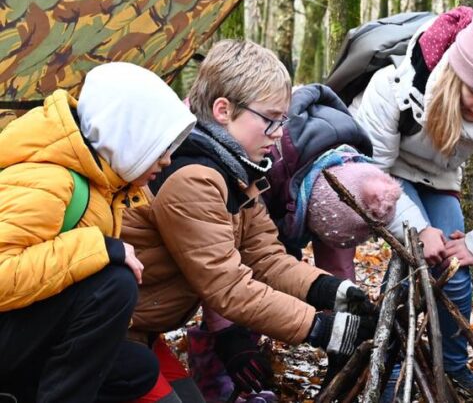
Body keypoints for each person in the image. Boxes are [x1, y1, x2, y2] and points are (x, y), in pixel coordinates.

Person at [121, 40, 376, 402]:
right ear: (223, 110)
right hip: (112, 333)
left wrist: (332, 291)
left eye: (282, 121)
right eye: (270, 119)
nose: (279, 133)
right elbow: (227, 286)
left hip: (141, 330)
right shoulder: (194, 176)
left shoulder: (235, 170)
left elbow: (265, 257)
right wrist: (320, 328)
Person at [353, 1, 473, 395]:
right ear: (458, 71)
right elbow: (371, 176)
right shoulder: (394, 86)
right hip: (385, 169)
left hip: (438, 177)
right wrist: (418, 228)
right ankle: (390, 369)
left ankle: (453, 366)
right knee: (412, 266)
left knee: (454, 273)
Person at [0, 62, 196, 402]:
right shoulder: (51, 180)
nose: (167, 160)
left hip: (18, 333)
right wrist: (99, 247)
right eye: (159, 146)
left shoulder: (101, 184)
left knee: (136, 369)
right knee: (114, 283)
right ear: (127, 136)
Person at [264, 83, 402, 281]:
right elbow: (251, 251)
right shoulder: (268, 154)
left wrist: (342, 294)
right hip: (264, 215)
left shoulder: (350, 189)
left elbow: (338, 266)